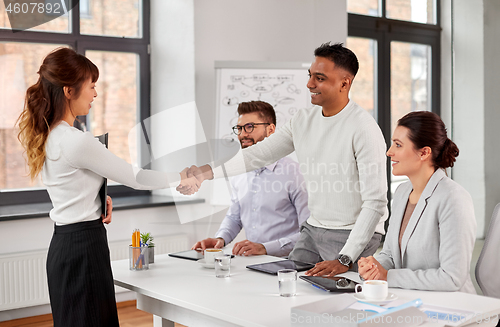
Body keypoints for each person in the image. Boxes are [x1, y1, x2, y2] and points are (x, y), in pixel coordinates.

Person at [16, 47, 194, 327]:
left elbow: (68, 185)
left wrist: (98, 198)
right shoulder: (77, 140)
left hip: (64, 245)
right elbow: (136, 177)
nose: (95, 94)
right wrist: (181, 175)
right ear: (69, 91)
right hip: (84, 247)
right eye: (92, 86)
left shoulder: (49, 135)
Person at [178, 42, 388, 276]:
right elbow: (257, 155)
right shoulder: (302, 120)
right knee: (280, 282)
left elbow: (376, 203)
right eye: (310, 76)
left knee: (335, 302)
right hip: (314, 230)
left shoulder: (364, 128)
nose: (309, 84)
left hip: (351, 234)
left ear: (344, 83)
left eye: (319, 78)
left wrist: (345, 258)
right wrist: (205, 172)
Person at [358, 111, 476, 293]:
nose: (389, 152)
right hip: (409, 297)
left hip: (450, 308)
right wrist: (374, 268)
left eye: (398, 145)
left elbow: (452, 278)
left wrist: (388, 276)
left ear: (424, 153)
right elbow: (390, 254)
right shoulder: (402, 192)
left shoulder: (454, 199)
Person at [191, 101, 310, 257]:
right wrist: (220, 239)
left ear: (271, 130)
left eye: (250, 127)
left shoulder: (296, 173)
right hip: (252, 264)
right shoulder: (239, 172)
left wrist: (266, 248)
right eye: (239, 128)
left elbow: (309, 233)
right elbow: (235, 217)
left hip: (287, 266)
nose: (243, 134)